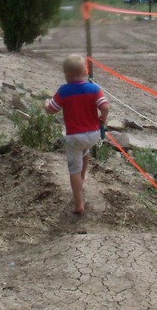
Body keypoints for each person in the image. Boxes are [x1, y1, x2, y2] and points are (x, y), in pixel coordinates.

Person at [44, 54, 110, 215]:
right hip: (93, 134)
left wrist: (45, 103)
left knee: (73, 169)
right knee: (85, 151)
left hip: (75, 136)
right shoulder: (93, 89)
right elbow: (105, 106)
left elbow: (51, 110)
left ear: (66, 75)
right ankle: (83, 178)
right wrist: (103, 118)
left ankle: (79, 204)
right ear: (85, 72)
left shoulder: (64, 91)